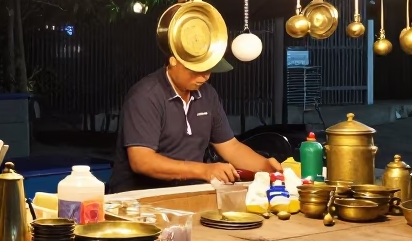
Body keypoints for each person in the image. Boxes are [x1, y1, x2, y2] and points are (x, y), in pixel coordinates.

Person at [108, 55, 283, 193]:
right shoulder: (146, 96)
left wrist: (268, 168)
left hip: (189, 192)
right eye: (197, 70)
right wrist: (204, 171)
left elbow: (231, 147)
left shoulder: (207, 94)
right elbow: (142, 161)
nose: (205, 77)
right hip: (139, 197)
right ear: (173, 60)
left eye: (209, 69)